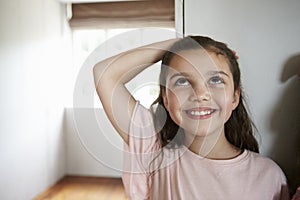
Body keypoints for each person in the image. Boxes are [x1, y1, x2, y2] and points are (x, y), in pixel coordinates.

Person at [93, 36, 289, 199]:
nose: (200, 93)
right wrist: (178, 44)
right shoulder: (155, 152)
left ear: (234, 98)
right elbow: (104, 74)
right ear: (167, 100)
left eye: (215, 80)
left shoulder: (270, 176)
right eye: (182, 81)